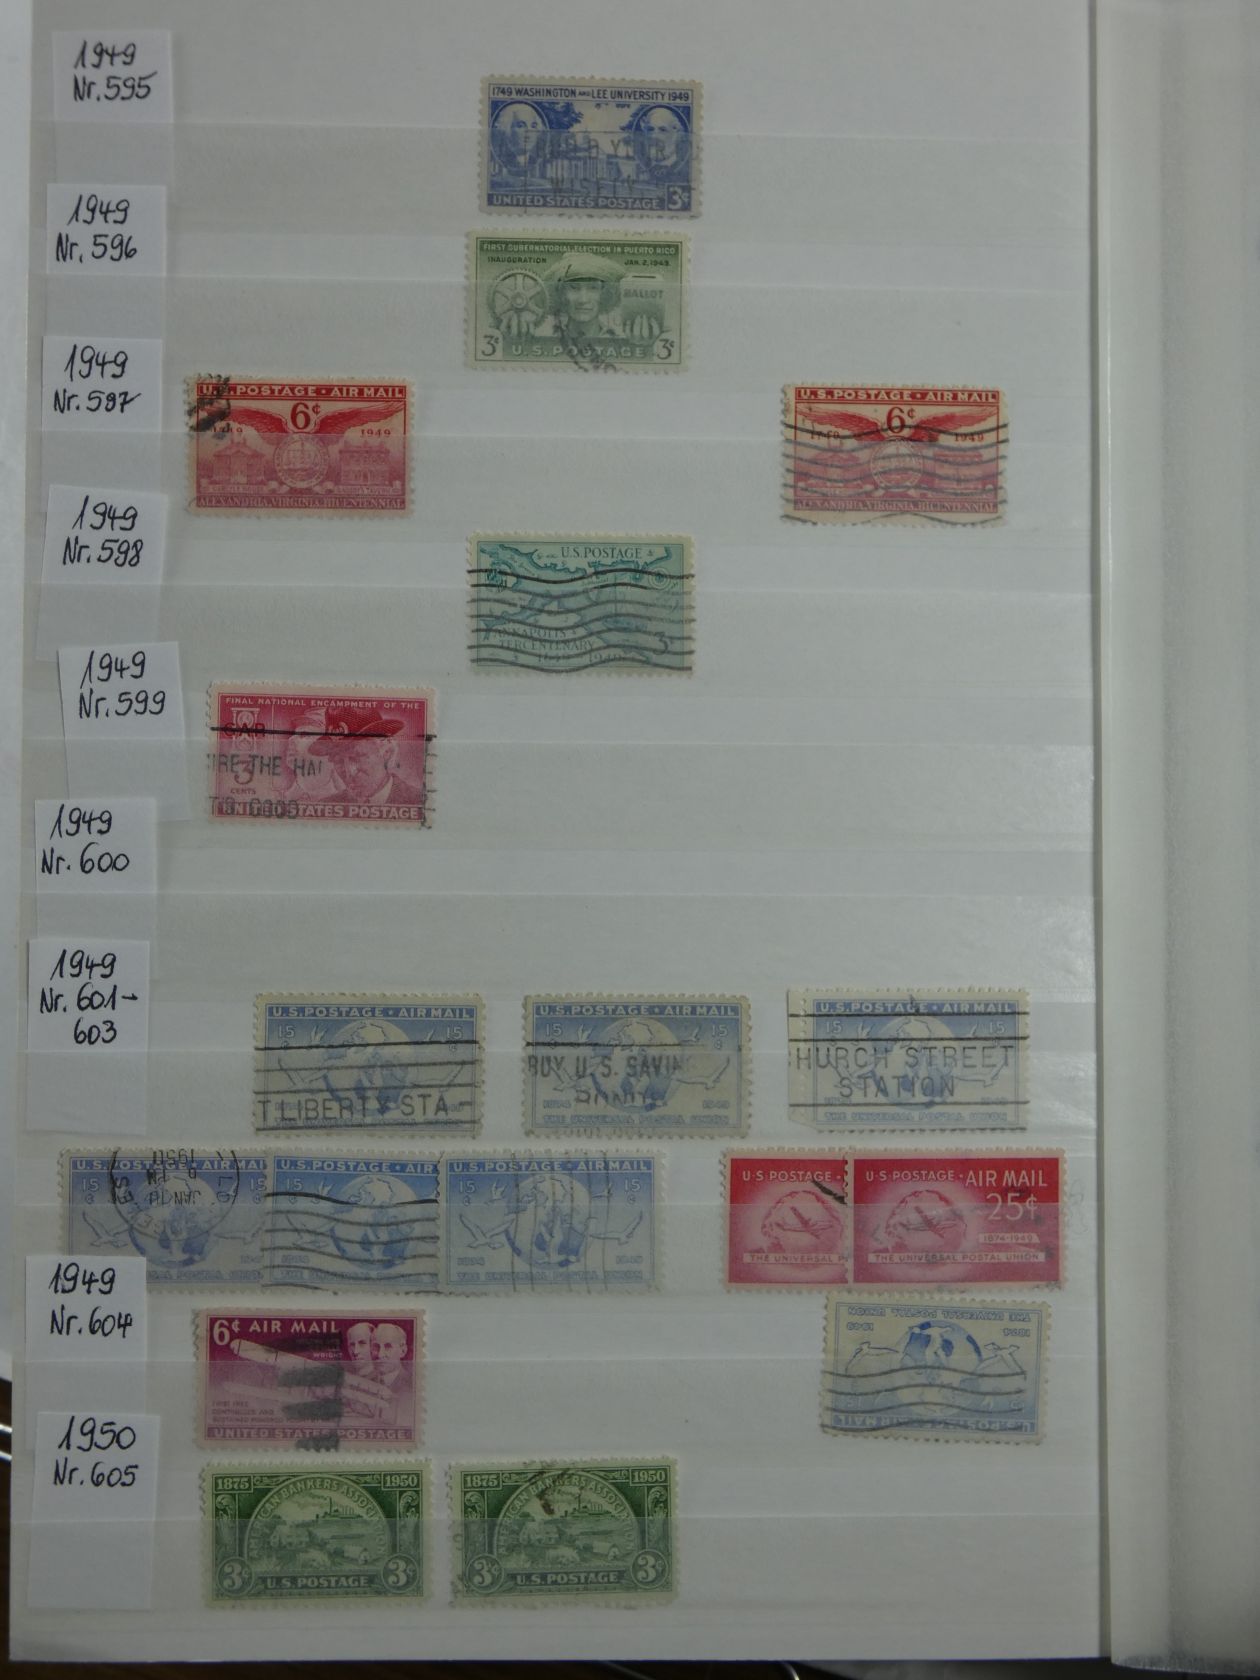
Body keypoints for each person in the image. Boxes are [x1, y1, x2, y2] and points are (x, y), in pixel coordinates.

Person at [312, 705, 424, 807]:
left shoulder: (419, 801)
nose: (349, 773)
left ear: (386, 753)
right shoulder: (326, 806)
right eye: (338, 761)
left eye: (357, 758)